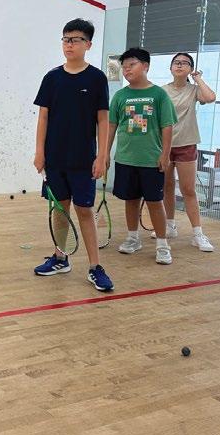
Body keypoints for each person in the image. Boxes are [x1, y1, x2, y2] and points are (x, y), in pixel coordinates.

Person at [32, 18, 113, 292]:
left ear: (88, 44)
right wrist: (39, 151)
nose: (69, 44)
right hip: (55, 158)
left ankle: (95, 267)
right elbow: (43, 116)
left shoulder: (97, 78)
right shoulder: (52, 78)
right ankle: (59, 258)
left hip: (83, 159)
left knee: (84, 210)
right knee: (60, 208)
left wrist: (101, 156)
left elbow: (103, 120)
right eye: (65, 39)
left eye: (75, 40)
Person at [106, 47, 177, 265]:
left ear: (145, 66)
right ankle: (132, 238)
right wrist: (104, 154)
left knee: (155, 202)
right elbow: (111, 126)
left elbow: (167, 126)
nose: (127, 70)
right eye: (124, 66)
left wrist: (165, 154)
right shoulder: (120, 96)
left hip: (151, 160)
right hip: (125, 159)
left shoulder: (159, 95)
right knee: (131, 200)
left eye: (132, 65)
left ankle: (162, 245)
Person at [158, 52, 217, 251]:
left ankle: (198, 234)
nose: (180, 65)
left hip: (187, 145)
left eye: (185, 63)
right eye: (176, 62)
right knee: (166, 187)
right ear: (170, 67)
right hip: (164, 146)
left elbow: (210, 97)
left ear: (190, 69)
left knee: (188, 190)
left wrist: (198, 78)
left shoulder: (194, 90)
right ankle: (170, 226)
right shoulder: (162, 91)